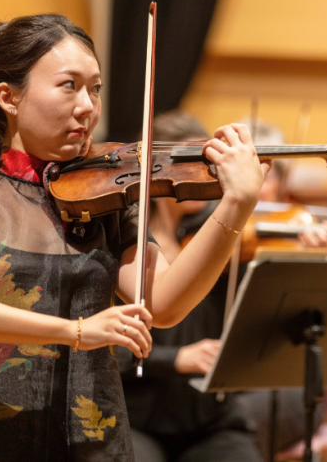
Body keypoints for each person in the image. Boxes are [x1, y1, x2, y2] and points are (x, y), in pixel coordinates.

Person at [0, 14, 269, 461]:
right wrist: (74, 331)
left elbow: (166, 305)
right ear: (9, 97)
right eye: (68, 85)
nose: (87, 106)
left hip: (92, 444)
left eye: (95, 88)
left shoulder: (109, 201)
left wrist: (237, 203)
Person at [119, 110, 264, 462]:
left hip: (208, 419)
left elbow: (246, 310)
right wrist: (177, 358)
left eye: (210, 162)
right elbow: (108, 346)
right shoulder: (128, 240)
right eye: (194, 162)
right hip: (139, 417)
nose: (206, 173)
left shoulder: (212, 233)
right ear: (156, 166)